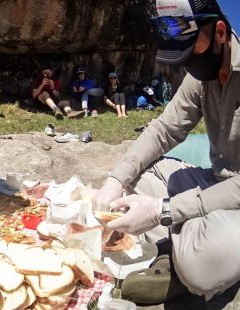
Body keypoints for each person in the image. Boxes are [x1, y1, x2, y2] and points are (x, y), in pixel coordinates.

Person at [93, 0, 240, 304]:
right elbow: (164, 129)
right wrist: (116, 179)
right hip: (214, 182)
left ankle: (181, 261)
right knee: (134, 185)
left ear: (221, 32)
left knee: (201, 266)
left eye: (191, 50)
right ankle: (182, 237)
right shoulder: (202, 75)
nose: (187, 63)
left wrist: (164, 210)